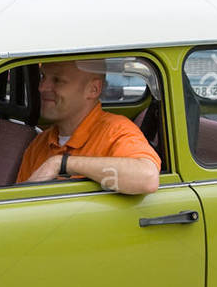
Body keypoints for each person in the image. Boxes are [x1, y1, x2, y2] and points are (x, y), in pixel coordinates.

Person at [17, 60, 161, 194]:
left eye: (58, 80)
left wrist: (61, 163)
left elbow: (148, 178)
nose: (42, 87)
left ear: (93, 89)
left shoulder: (115, 131)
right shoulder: (41, 142)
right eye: (43, 77)